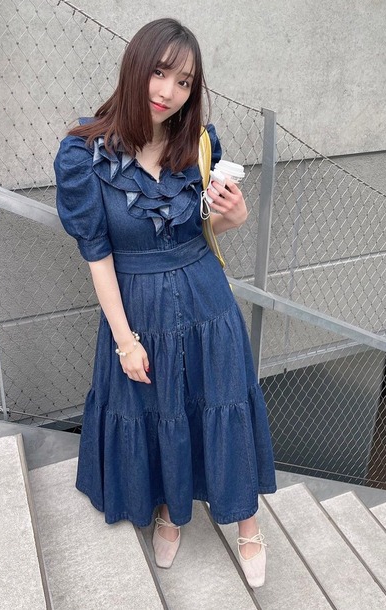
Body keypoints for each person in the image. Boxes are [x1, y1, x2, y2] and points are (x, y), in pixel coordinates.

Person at [54, 17, 276, 588]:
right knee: (162, 410)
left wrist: (232, 218)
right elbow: (98, 256)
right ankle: (172, 514)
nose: (168, 92)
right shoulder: (84, 155)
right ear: (136, 67)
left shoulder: (196, 144)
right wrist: (124, 340)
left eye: (183, 82)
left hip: (207, 304)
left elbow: (196, 233)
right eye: (160, 73)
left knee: (224, 400)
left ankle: (249, 525)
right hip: (139, 312)